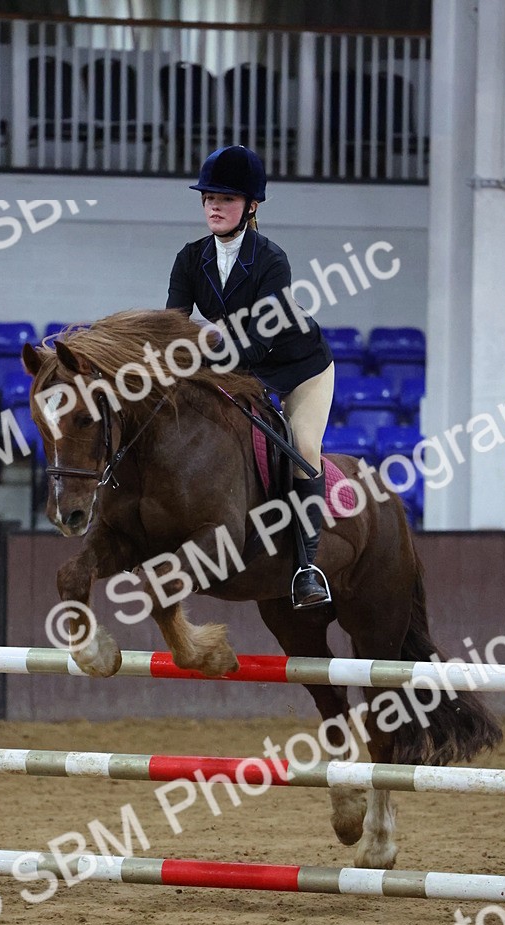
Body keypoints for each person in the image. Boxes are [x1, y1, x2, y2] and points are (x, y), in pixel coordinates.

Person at [166, 144, 335, 609]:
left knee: (302, 447)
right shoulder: (189, 258)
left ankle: (308, 564)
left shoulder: (271, 259)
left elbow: (261, 342)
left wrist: (208, 352)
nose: (215, 206)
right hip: (239, 363)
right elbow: (174, 324)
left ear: (251, 205)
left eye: (226, 199)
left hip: (298, 367)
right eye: (208, 198)